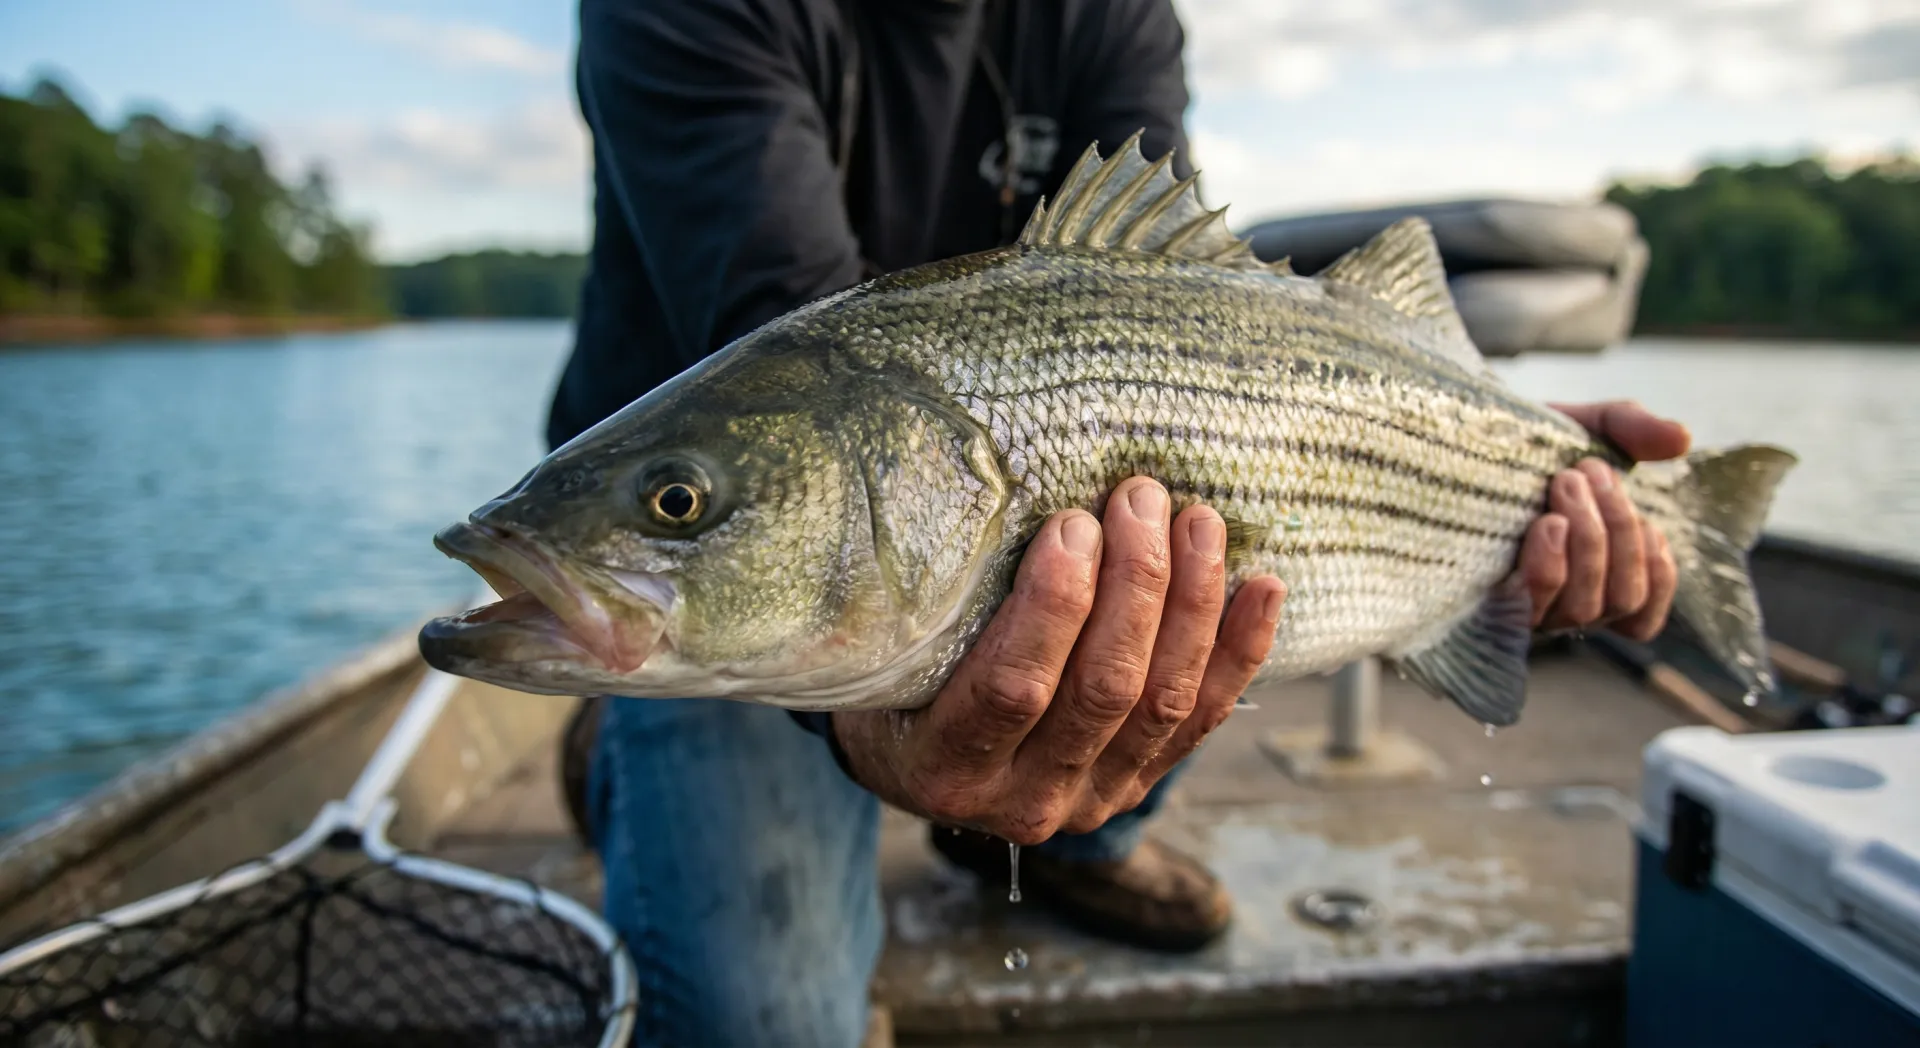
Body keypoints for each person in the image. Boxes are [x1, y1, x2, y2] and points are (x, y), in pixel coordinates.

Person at [546, 0, 1693, 1043]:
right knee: (761, 1027)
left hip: (941, 510)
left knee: (1176, 598)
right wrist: (718, 547)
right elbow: (779, 318)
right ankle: (638, 719)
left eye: (673, 505)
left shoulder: (1114, 14)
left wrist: (1505, 453)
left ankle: (1063, 842)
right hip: (742, 589)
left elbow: (1176, 294)